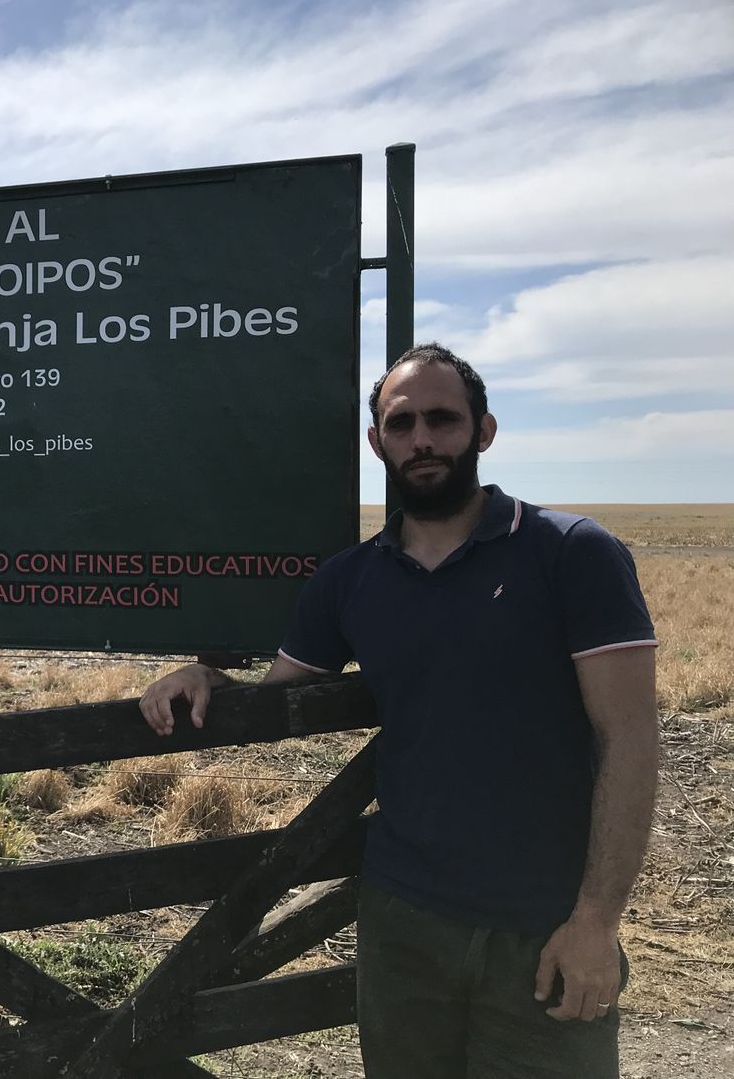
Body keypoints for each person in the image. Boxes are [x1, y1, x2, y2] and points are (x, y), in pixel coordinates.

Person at [139, 344, 658, 1078]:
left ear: (484, 430)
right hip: (404, 922)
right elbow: (282, 689)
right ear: (376, 440)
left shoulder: (572, 553)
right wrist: (206, 676)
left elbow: (631, 739)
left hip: (543, 927)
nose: (422, 439)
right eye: (402, 421)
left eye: (443, 419)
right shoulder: (350, 581)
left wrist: (597, 922)